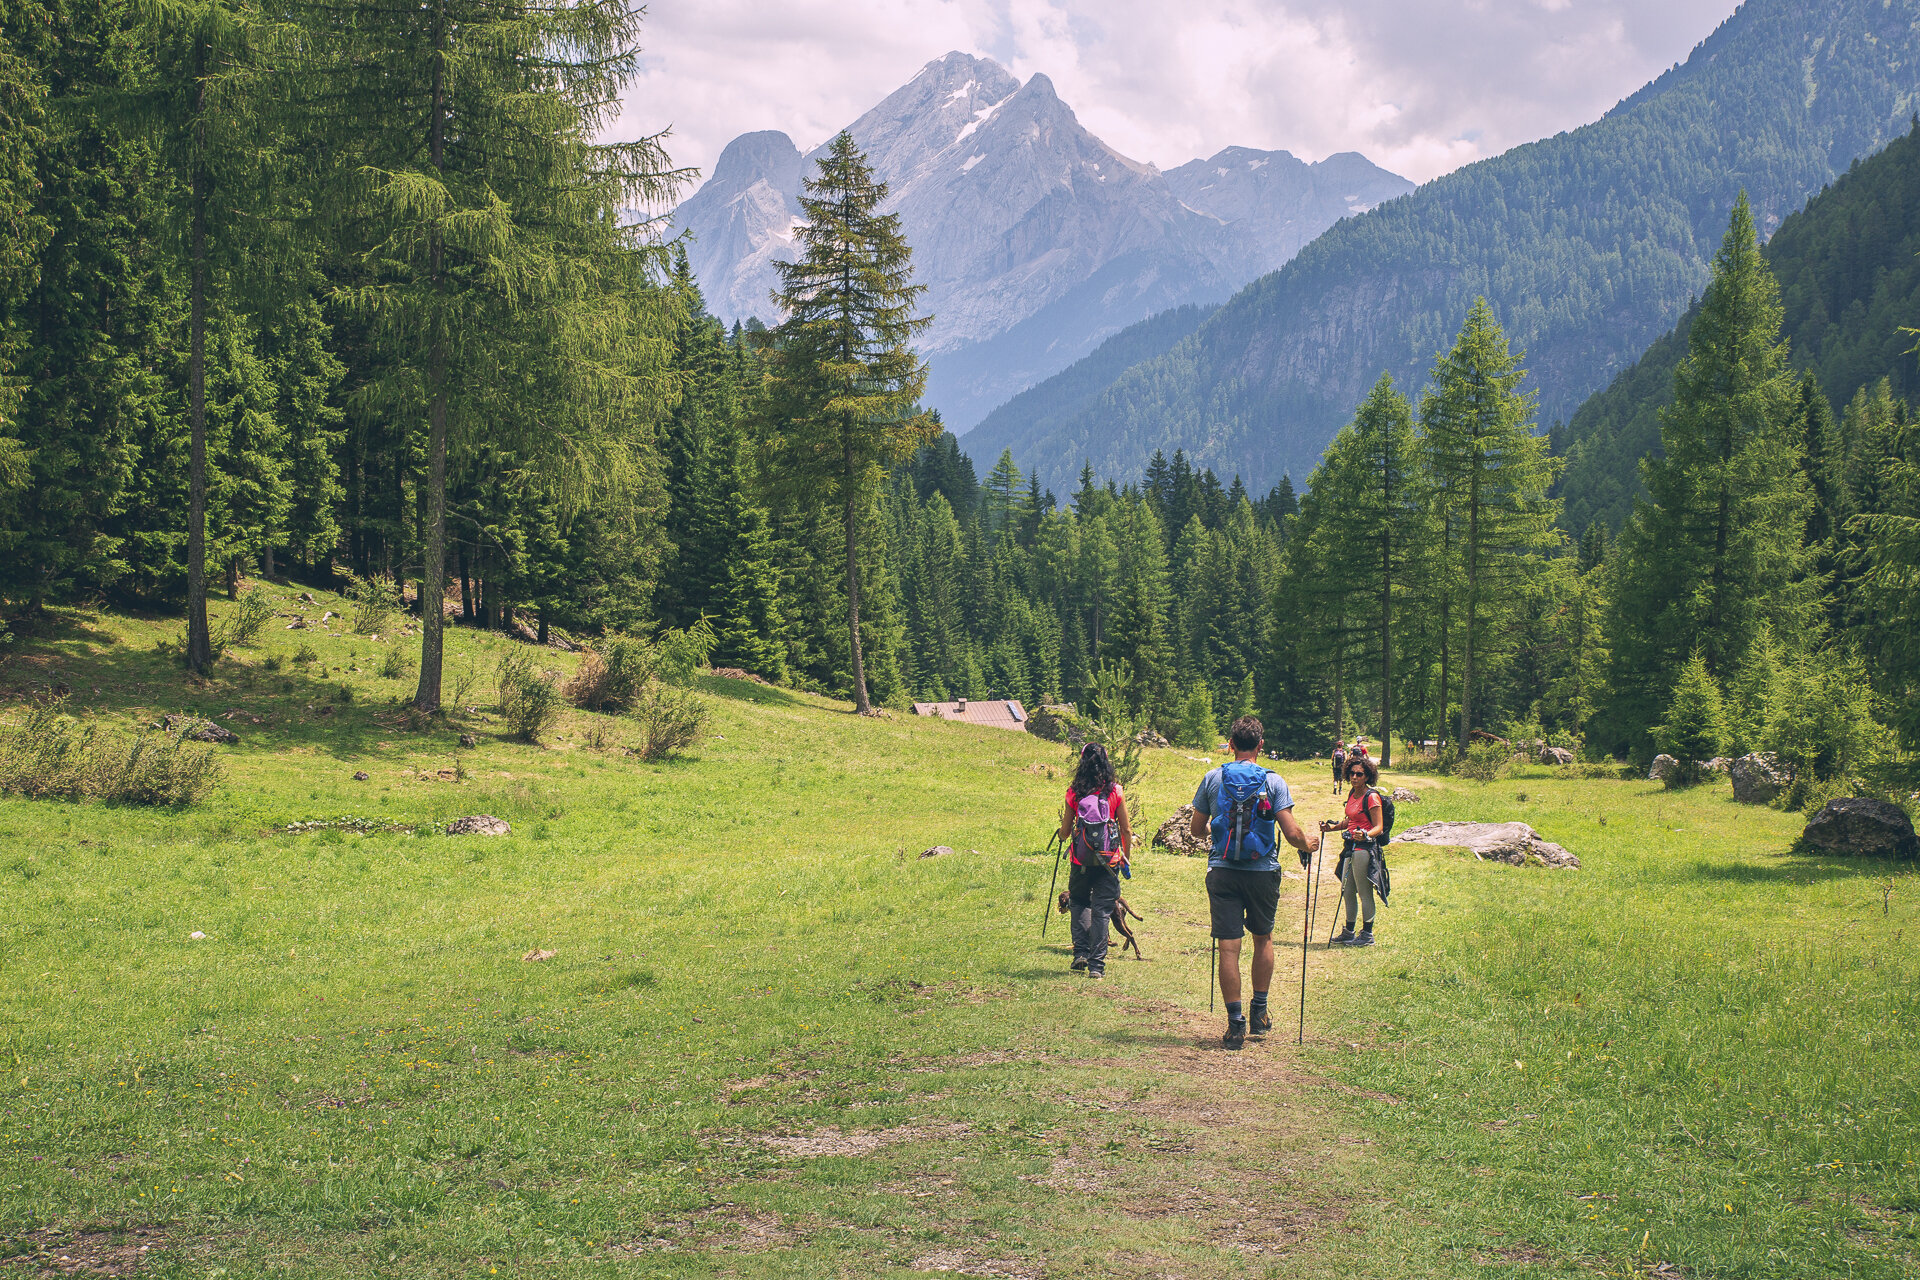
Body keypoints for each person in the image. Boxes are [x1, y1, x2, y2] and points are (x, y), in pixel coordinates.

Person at [1189, 716, 1320, 1049]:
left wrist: (1213, 834)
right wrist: (1308, 844)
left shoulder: (1212, 777)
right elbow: (1291, 834)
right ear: (1261, 745)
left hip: (1222, 870)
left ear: (1230, 744)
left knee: (1229, 947)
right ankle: (1259, 1013)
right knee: (1262, 938)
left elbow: (1195, 829)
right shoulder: (1273, 782)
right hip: (1262, 872)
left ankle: (1235, 1025)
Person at [1058, 742, 1133, 979]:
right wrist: (1125, 859)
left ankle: (1080, 953)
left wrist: (1060, 836)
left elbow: (1066, 831)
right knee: (1101, 909)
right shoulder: (1115, 791)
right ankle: (1096, 967)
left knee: (1079, 902)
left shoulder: (1074, 791)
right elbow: (1126, 830)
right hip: (1108, 860)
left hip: (1080, 860)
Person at [1321, 754, 1385, 947]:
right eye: (1351, 773)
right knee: (1347, 889)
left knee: (1363, 891)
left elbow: (1379, 827)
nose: (1354, 777)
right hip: (1350, 847)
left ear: (1367, 776)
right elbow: (1351, 821)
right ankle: (1349, 931)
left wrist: (1365, 835)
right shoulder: (1352, 793)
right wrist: (1332, 828)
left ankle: (1367, 934)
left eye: (1359, 774)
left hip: (1364, 849)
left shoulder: (1371, 797)